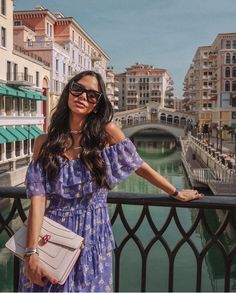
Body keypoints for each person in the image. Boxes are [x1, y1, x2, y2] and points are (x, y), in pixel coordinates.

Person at [18, 70, 204, 292]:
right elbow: (38, 201)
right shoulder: (44, 142)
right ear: (68, 90)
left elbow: (139, 166)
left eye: (92, 95)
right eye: (77, 89)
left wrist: (176, 192)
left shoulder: (107, 133)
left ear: (97, 103)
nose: (83, 97)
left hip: (93, 233)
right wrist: (31, 252)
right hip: (52, 234)